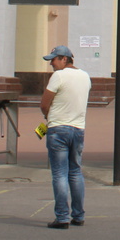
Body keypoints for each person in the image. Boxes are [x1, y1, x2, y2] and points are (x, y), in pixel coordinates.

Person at [40, 45, 91, 229]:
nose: (51, 64)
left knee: (60, 173)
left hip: (58, 129)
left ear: (64, 59)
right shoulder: (85, 76)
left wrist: (48, 116)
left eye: (53, 59)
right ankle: (78, 215)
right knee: (75, 172)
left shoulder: (59, 76)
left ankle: (62, 217)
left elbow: (44, 103)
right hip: (78, 129)